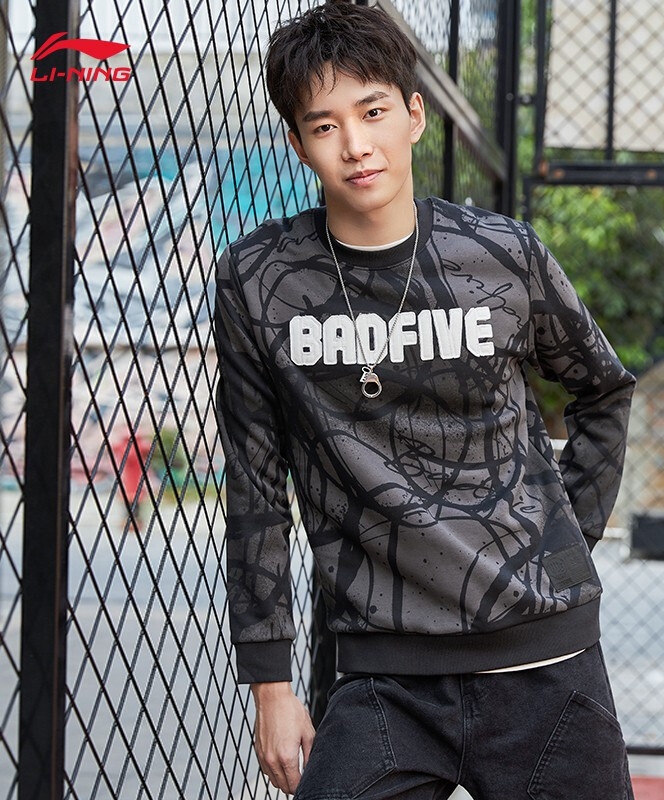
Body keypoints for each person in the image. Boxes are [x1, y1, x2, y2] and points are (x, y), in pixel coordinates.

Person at [214, 1, 636, 797]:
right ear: (299, 143)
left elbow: (602, 389)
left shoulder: (502, 254)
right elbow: (256, 480)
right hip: (383, 675)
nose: (355, 144)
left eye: (372, 112)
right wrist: (270, 684)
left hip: (545, 661)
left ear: (414, 115)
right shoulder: (260, 279)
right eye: (325, 125)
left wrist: (563, 542)